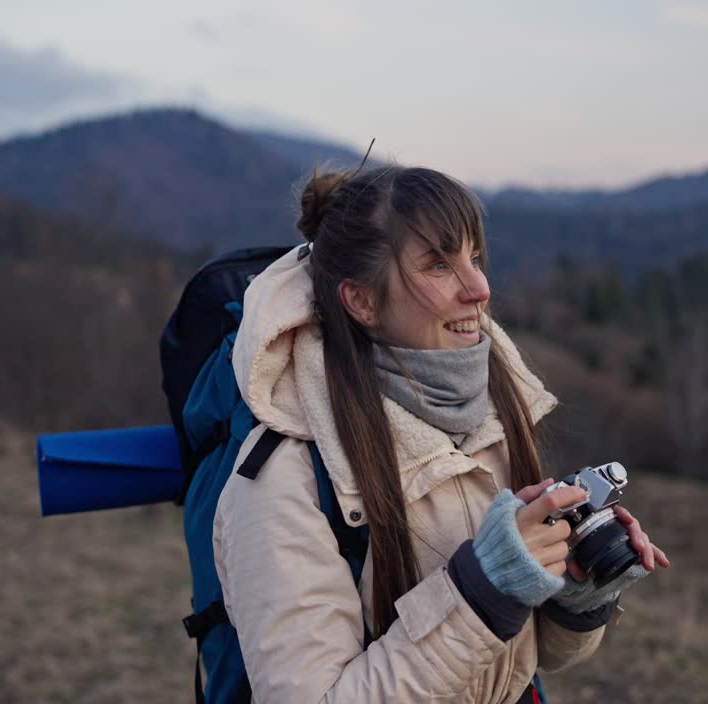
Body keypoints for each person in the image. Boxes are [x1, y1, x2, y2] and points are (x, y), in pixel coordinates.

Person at [213, 164, 669, 703]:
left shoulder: (491, 415)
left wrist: (575, 594)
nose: (479, 287)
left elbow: (525, 658)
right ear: (361, 301)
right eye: (437, 264)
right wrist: (483, 589)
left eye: (474, 258)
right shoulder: (282, 478)